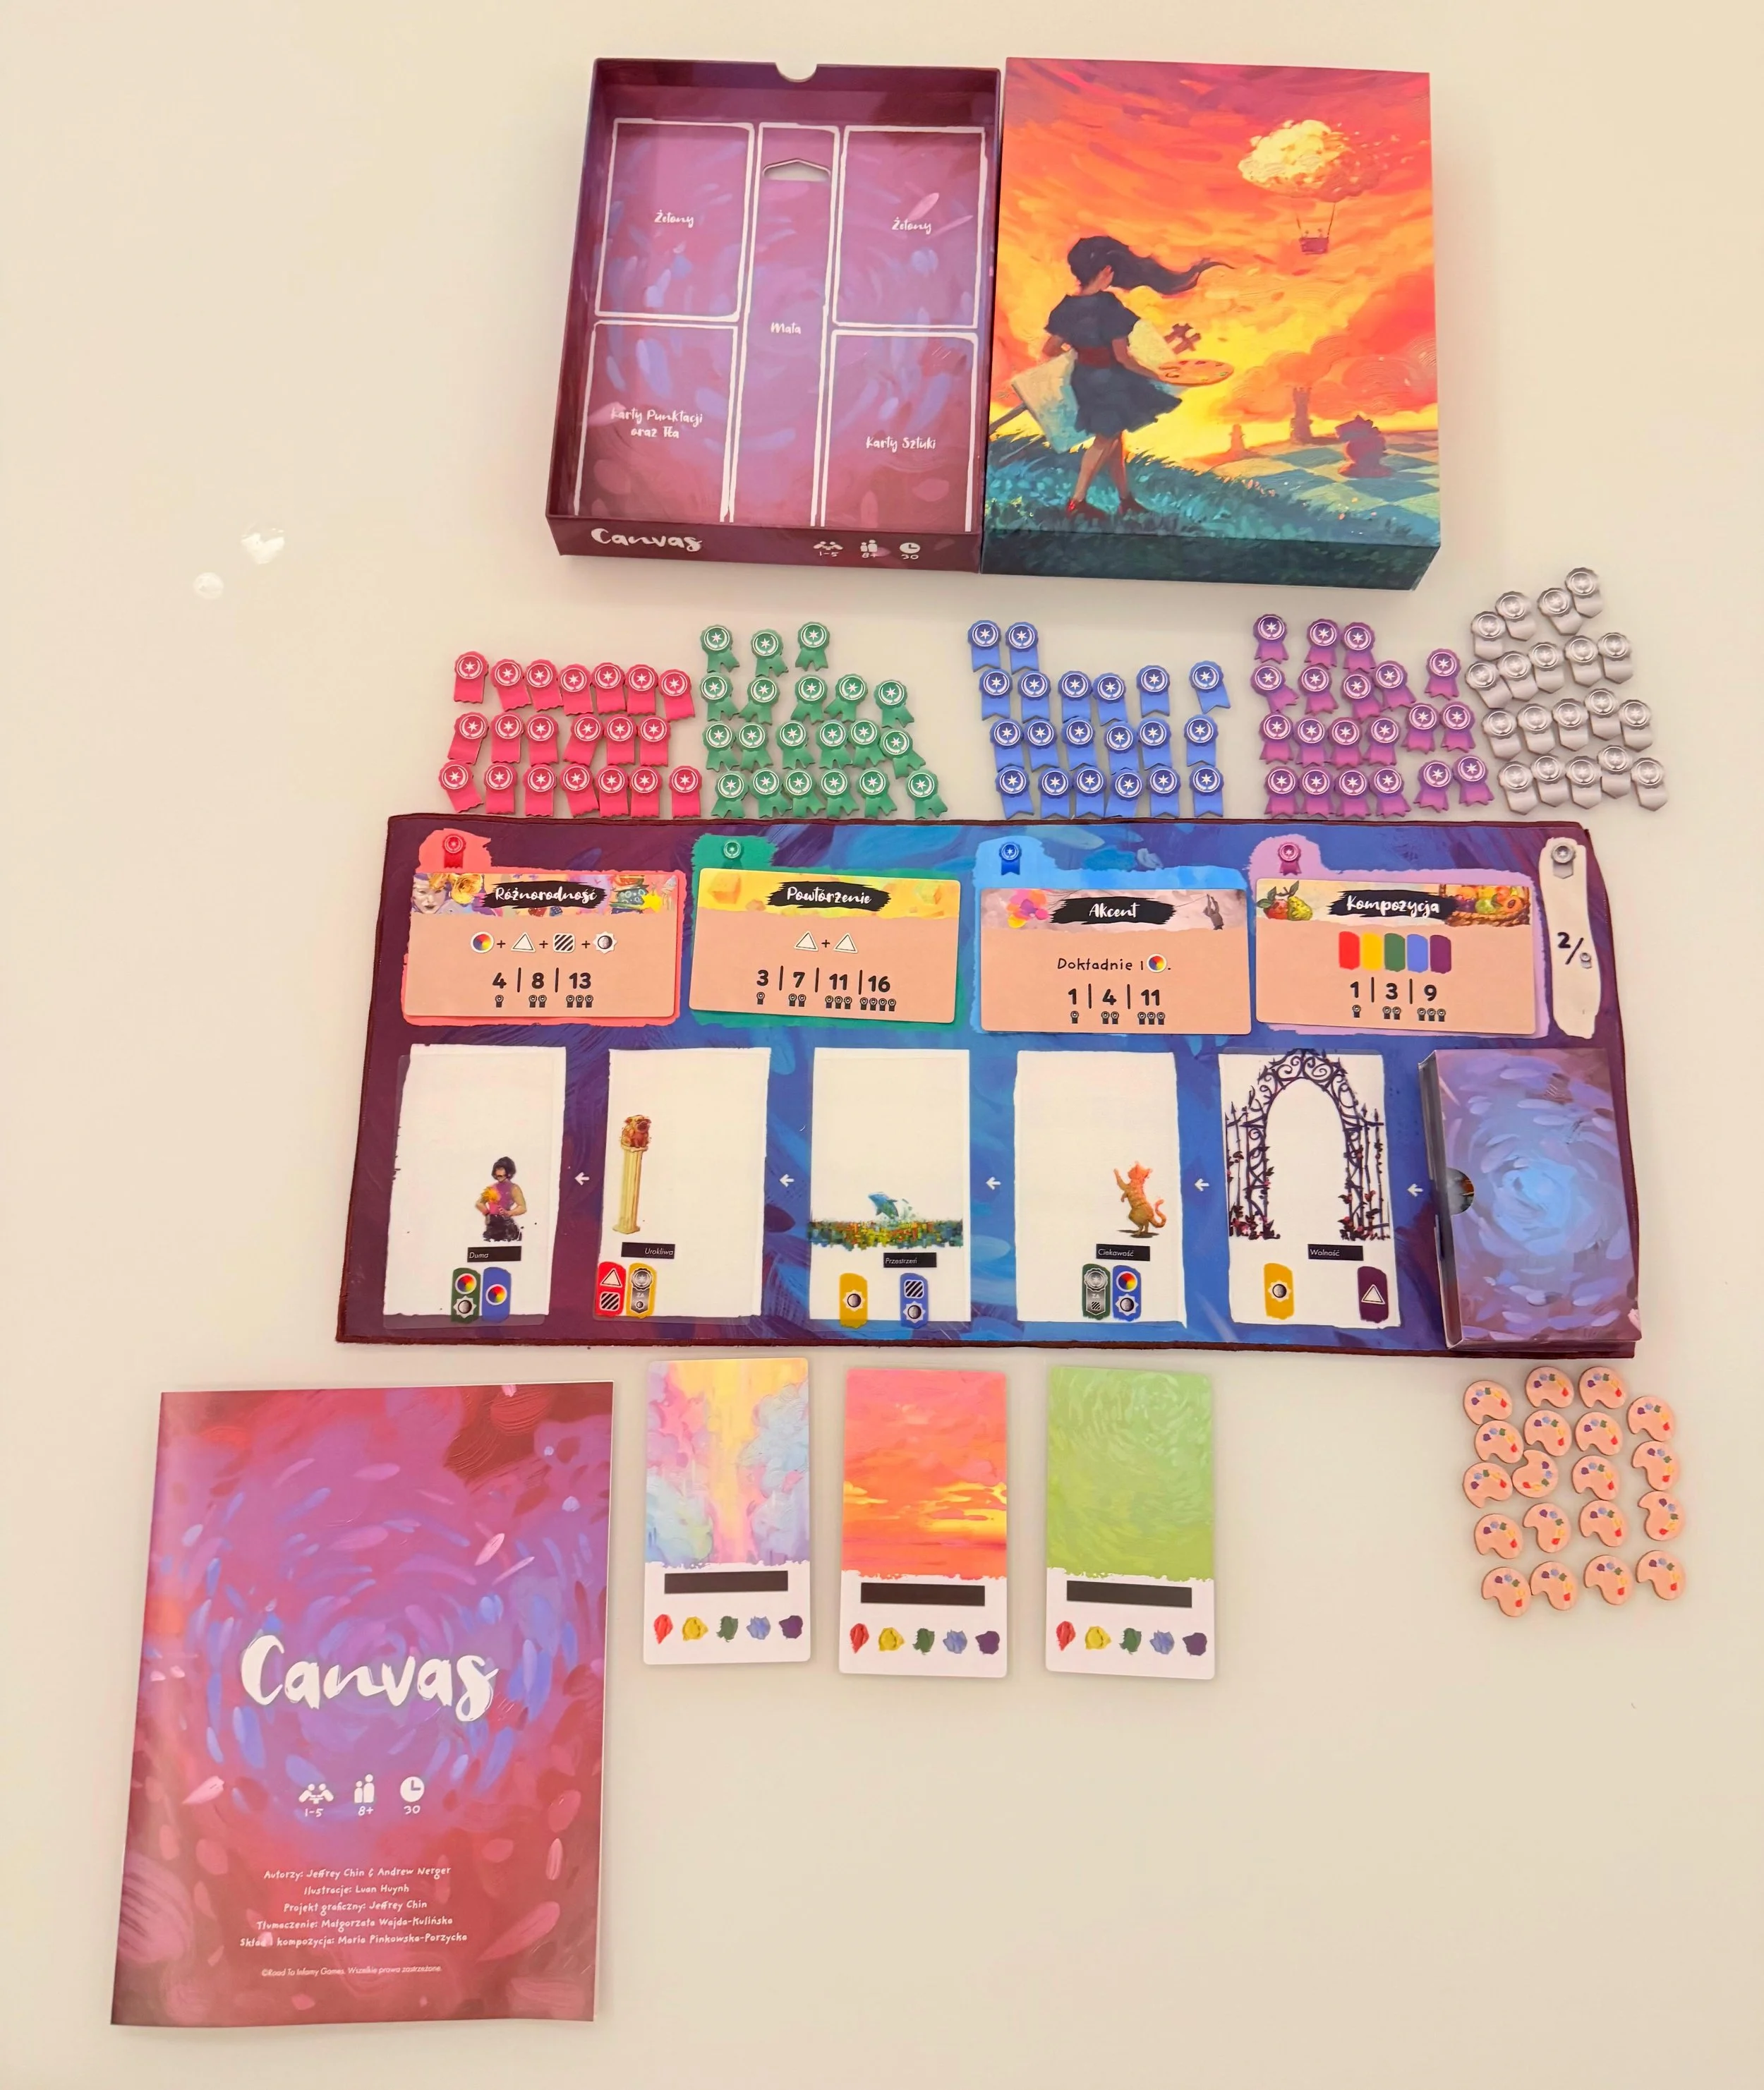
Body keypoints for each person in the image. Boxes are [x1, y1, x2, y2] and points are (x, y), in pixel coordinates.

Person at [1042, 234, 1226, 519]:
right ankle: (1076, 503)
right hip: (1111, 382)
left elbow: (1050, 349)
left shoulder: (1066, 307)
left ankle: (1125, 499)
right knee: (1105, 440)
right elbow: (1124, 358)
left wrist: (1083, 355)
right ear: (1107, 271)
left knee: (1115, 439)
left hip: (1085, 379)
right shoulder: (1108, 306)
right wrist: (1159, 376)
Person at [476, 1157, 526, 1243]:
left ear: (509, 1173)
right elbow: (479, 1203)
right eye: (497, 1171)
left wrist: (509, 1213)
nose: (498, 1175)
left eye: (501, 1171)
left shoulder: (514, 1188)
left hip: (505, 1225)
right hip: (492, 1225)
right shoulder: (491, 1188)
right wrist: (487, 1213)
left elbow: (522, 1207)